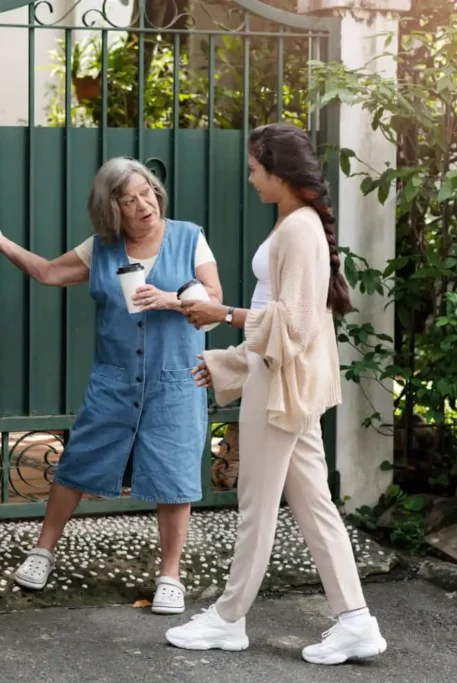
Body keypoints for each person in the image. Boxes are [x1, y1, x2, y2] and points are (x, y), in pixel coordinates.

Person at [164, 123, 387, 665]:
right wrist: (233, 361)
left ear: (279, 171)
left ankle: (228, 618)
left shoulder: (299, 230)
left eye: (255, 169)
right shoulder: (296, 225)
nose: (250, 178)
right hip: (282, 381)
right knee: (314, 507)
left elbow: (297, 325)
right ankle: (356, 620)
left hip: (281, 386)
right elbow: (285, 322)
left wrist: (224, 316)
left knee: (256, 507)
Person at [0, 157, 223, 616]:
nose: (145, 204)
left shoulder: (188, 236)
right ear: (112, 209)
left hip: (174, 378)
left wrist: (170, 299)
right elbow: (48, 273)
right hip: (115, 379)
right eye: (130, 199)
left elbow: (214, 299)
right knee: (77, 463)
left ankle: (170, 577)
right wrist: (3, 245)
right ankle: (42, 553)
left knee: (175, 477)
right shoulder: (102, 248)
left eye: (147, 193)